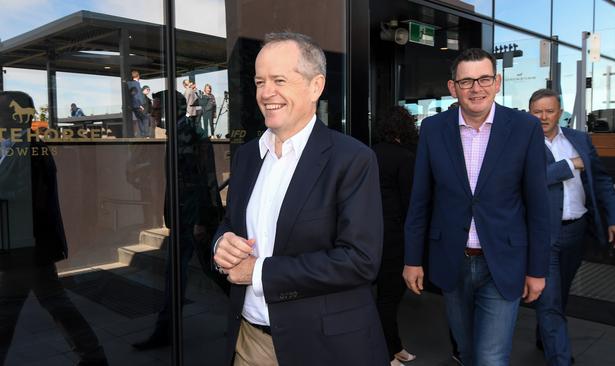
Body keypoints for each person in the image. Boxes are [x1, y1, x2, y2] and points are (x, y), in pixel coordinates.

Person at [212, 32, 388, 366]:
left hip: (322, 346)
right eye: (259, 81)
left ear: (315, 86)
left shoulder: (351, 159)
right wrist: (221, 244)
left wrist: (259, 272)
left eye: (279, 80)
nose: (266, 93)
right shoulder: (248, 156)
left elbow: (359, 260)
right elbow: (229, 224)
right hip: (249, 341)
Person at [403, 48, 550, 366]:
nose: (476, 88)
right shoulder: (432, 129)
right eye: (466, 81)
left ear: (497, 82)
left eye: (484, 78)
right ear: (452, 87)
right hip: (452, 260)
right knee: (467, 352)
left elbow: (539, 206)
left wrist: (537, 269)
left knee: (490, 357)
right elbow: (420, 200)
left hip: (502, 261)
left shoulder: (524, 128)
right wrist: (412, 260)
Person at [0, 91, 108, 366]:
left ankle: (93, 356)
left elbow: (22, 197)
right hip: (29, 247)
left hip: (25, 247)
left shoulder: (28, 151)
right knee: (55, 303)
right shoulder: (22, 147)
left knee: (10, 310)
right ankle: (93, 356)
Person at [528, 89, 615, 366]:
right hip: (543, 234)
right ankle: (561, 360)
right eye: (538, 112)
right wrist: (570, 165)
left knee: (559, 294)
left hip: (576, 231)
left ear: (560, 113)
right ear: (529, 114)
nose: (544, 117)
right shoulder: (523, 145)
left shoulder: (580, 139)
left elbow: (602, 181)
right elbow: (531, 180)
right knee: (549, 300)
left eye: (549, 111)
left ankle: (544, 334)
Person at [132, 91, 226, 350]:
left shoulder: (192, 134)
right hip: (184, 215)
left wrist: (199, 221)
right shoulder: (177, 134)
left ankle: (250, 318)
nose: (151, 113)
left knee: (215, 272)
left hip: (193, 218)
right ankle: (165, 330)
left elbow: (204, 179)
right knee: (179, 273)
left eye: (156, 108)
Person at [372, 106, 418, 366]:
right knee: (389, 298)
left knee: (381, 296)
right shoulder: (405, 158)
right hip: (395, 237)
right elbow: (411, 203)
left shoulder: (369, 152)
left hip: (370, 235)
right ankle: (386, 354)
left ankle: (394, 346)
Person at [127, 70, 148, 137]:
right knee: (145, 119)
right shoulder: (136, 84)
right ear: (138, 76)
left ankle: (143, 134)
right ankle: (146, 134)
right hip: (138, 105)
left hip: (133, 105)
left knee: (139, 119)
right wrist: (140, 105)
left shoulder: (129, 84)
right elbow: (137, 95)